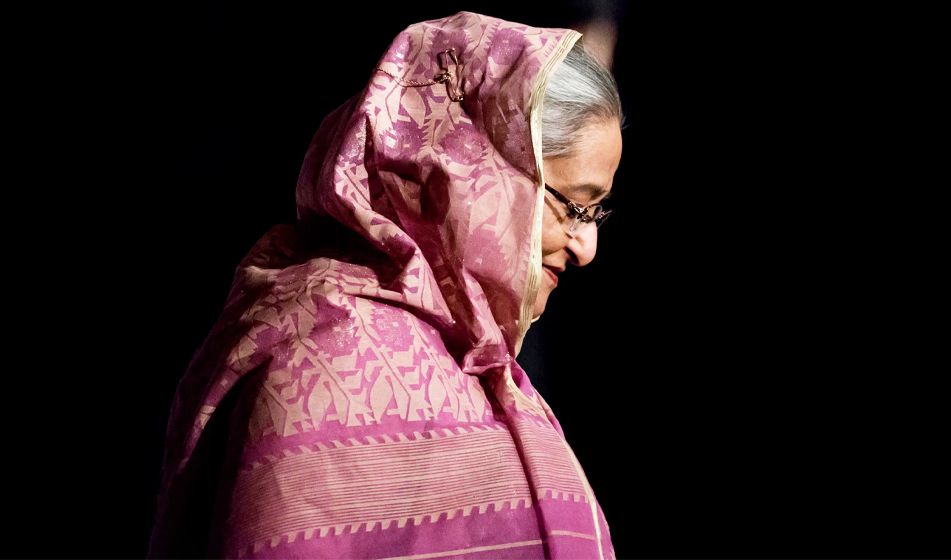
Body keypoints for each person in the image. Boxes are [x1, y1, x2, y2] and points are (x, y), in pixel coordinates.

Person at [148, 11, 622, 559]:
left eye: (597, 213)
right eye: (574, 207)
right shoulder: (318, 357)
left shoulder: (488, 366)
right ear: (471, 172)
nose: (587, 248)